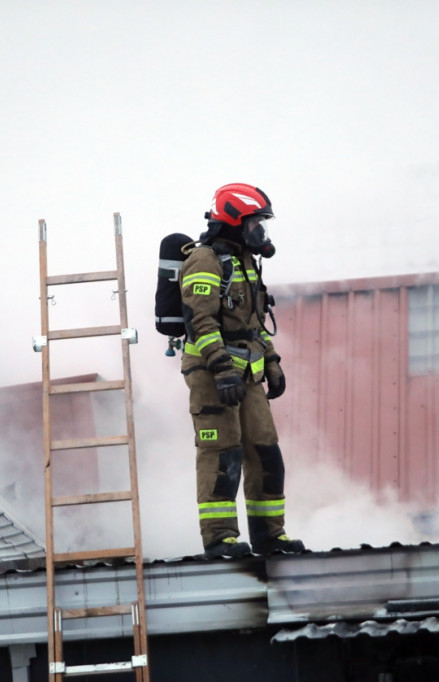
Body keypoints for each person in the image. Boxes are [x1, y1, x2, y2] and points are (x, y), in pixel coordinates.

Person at [179, 183, 305, 559]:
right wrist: (220, 368)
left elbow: (253, 324)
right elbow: (200, 321)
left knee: (266, 452)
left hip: (246, 377)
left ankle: (270, 536)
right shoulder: (204, 260)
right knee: (222, 454)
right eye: (255, 222)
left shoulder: (247, 262)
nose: (260, 231)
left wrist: (272, 361)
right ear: (234, 220)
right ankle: (220, 540)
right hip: (211, 375)